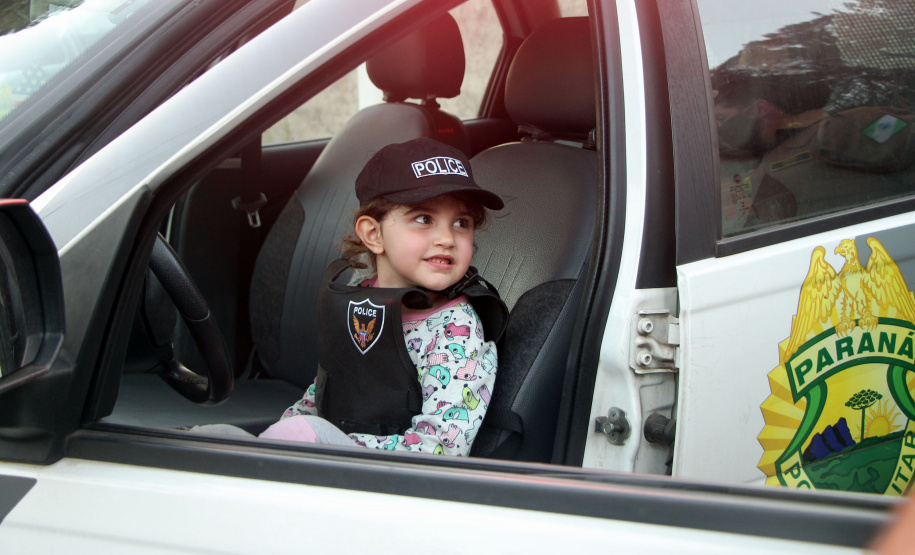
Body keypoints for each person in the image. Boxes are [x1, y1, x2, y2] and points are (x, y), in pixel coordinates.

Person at [256, 137, 508, 456]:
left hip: (397, 485)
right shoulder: (359, 299)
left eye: (462, 223)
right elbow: (324, 391)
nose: (447, 238)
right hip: (336, 466)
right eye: (423, 219)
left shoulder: (455, 331)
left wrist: (322, 440)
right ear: (374, 234)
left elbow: (441, 448)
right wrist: (281, 435)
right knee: (212, 436)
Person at [714, 43, 915, 234]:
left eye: (721, 119)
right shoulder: (766, 157)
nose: (720, 128)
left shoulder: (838, 130)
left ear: (759, 109)